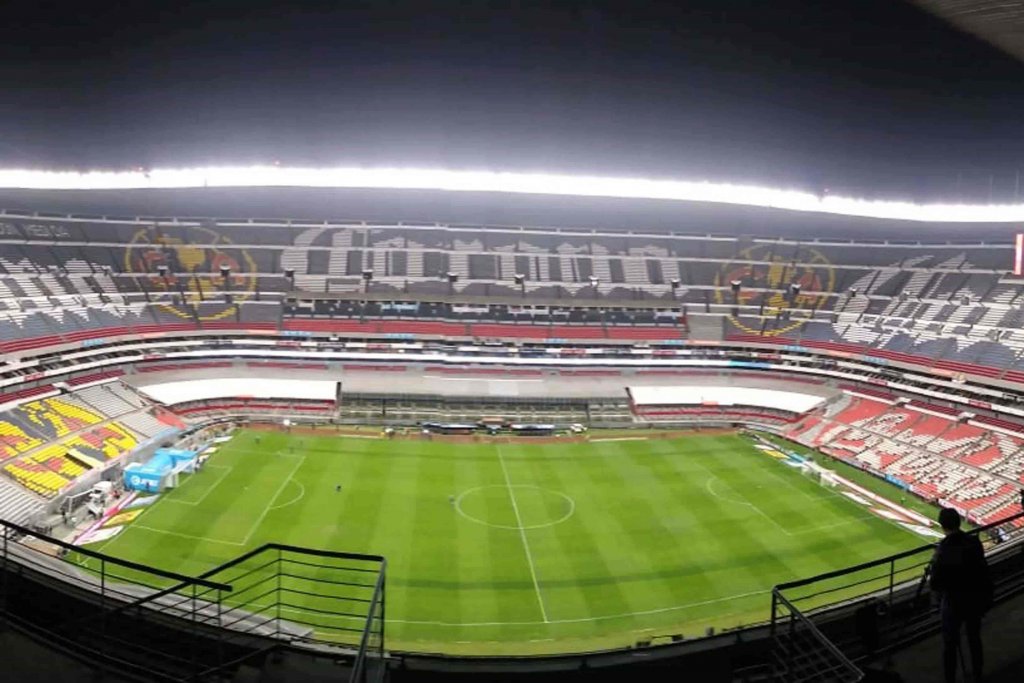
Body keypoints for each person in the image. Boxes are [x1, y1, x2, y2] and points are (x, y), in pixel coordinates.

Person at [930, 507, 992, 683]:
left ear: (942, 525)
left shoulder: (943, 550)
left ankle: (950, 678)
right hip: (974, 598)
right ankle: (978, 674)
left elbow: (936, 583)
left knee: (950, 645)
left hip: (953, 602)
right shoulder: (974, 542)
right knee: (974, 638)